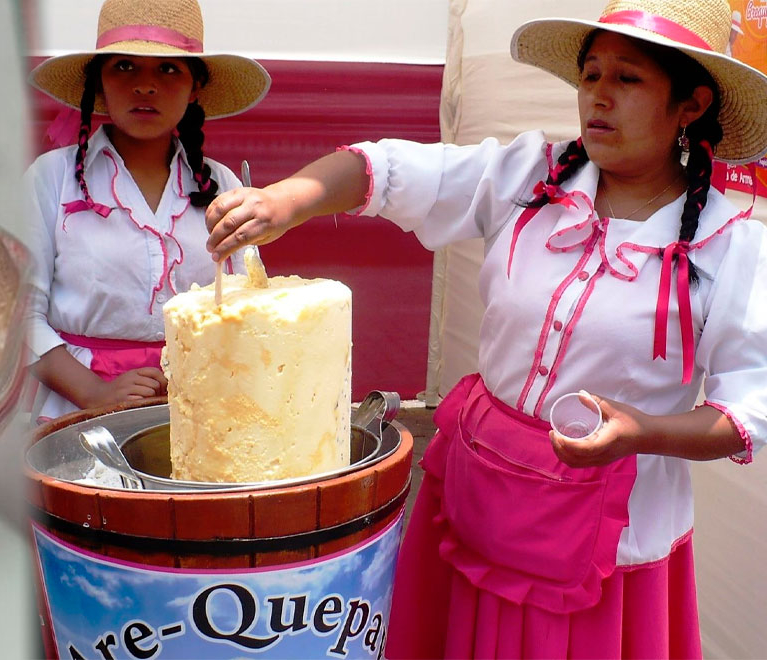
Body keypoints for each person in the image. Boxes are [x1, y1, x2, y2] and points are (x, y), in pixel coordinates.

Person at [205, 0, 767, 656]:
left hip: (605, 539)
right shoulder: (532, 177)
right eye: (591, 76)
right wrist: (284, 201)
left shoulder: (729, 247)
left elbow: (748, 410)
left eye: (628, 79)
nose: (599, 97)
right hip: (481, 497)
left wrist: (641, 433)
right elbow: (386, 172)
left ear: (691, 105)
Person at [24, 0, 270, 422]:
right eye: (124, 66)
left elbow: (248, 306)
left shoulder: (221, 185)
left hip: (201, 410)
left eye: (168, 68)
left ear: (195, 87)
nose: (145, 85)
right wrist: (95, 392)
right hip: (74, 412)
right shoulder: (52, 178)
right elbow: (19, 315)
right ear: (97, 81)